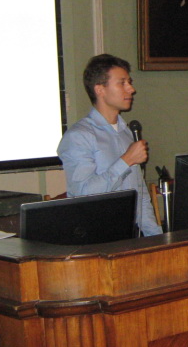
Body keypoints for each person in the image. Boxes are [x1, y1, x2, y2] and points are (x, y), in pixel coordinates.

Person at [57, 54, 163, 236]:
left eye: (129, 82)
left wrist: (156, 237)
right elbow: (83, 194)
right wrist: (126, 160)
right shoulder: (79, 136)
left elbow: (139, 193)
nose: (131, 89)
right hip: (96, 238)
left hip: (129, 237)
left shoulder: (126, 132)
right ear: (100, 89)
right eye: (122, 83)